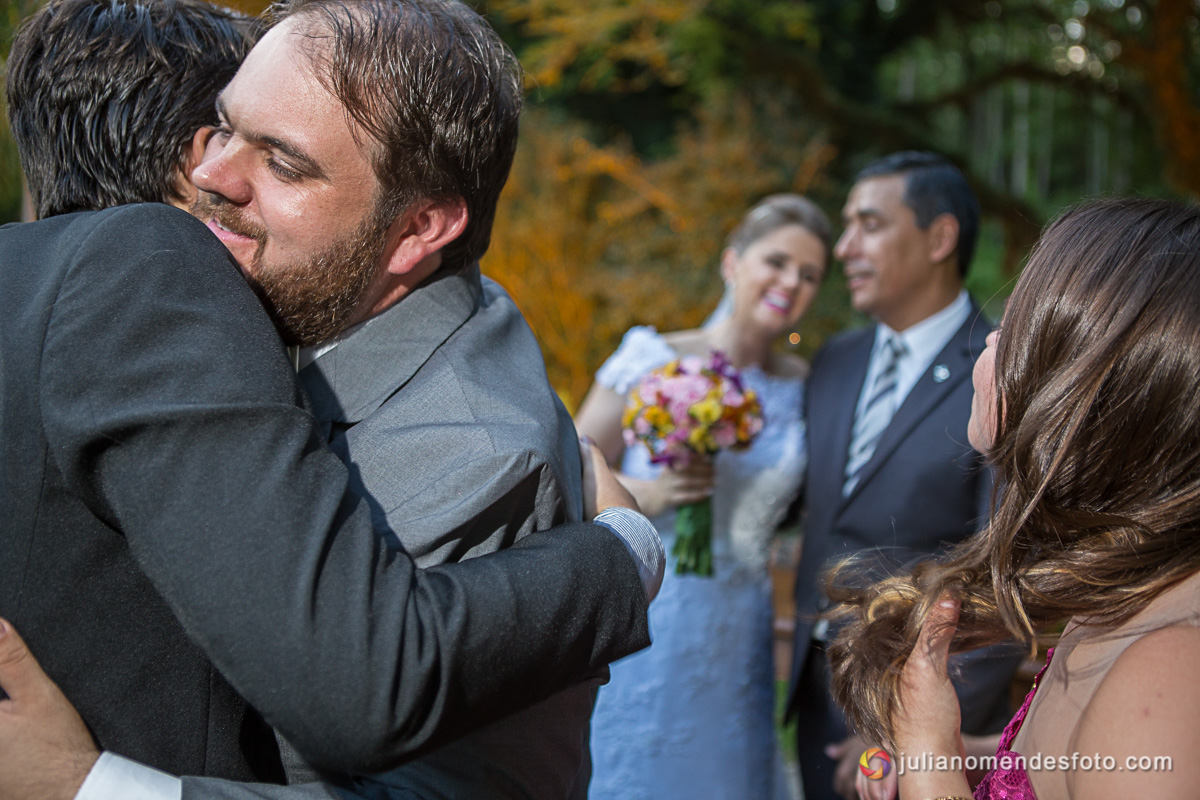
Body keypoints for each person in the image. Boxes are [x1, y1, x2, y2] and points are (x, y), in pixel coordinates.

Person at [0, 0, 663, 797]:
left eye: (283, 163)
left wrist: (86, 785)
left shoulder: (474, 460)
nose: (208, 174)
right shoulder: (282, 305)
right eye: (223, 126)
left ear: (420, 228)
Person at [828, 197, 1200, 800]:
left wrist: (925, 756)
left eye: (1023, 324)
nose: (993, 337)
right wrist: (967, 757)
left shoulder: (1168, 676)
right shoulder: (1128, 593)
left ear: (1089, 387)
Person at [574, 193, 830, 798]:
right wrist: (652, 494)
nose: (790, 282)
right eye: (777, 261)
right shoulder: (650, 356)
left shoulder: (805, 387)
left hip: (742, 622)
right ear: (732, 262)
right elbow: (574, 462)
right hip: (651, 605)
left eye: (810, 275)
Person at [784, 151, 1022, 800]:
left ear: (940, 237)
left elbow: (1001, 575)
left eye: (868, 224)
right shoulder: (834, 360)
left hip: (916, 724)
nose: (844, 247)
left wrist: (908, 727)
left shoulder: (1002, 366)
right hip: (815, 699)